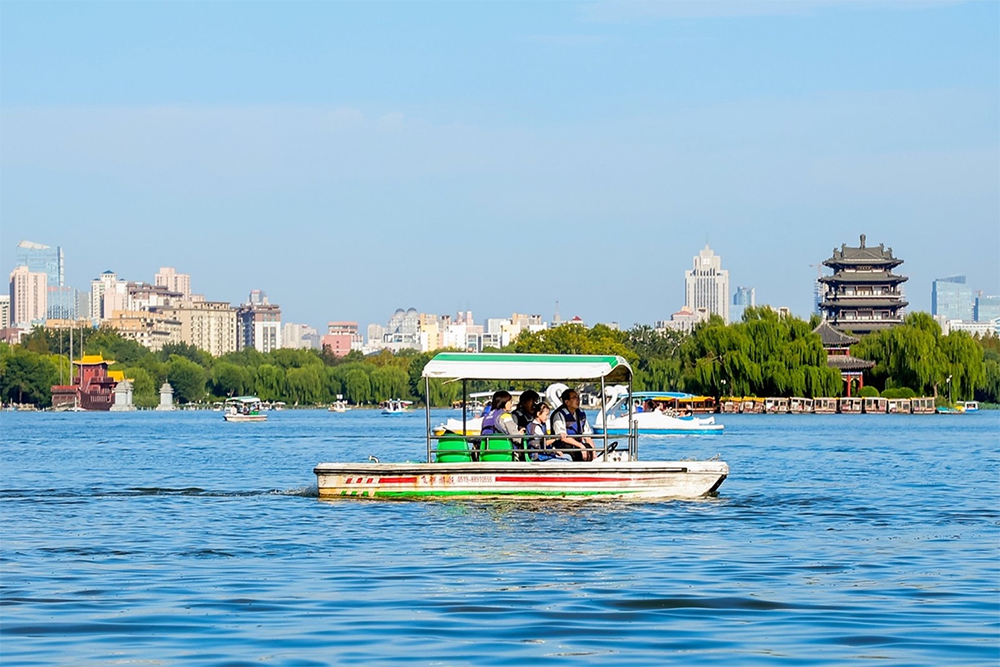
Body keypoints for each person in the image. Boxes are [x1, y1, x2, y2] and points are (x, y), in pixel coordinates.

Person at [550, 388, 595, 462]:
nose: (578, 400)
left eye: (578, 397)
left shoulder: (581, 414)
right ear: (567, 402)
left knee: (589, 449)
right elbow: (563, 437)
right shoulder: (559, 415)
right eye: (574, 398)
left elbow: (587, 436)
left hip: (578, 446)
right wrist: (580, 446)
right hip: (564, 447)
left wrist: (593, 451)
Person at [479, 390, 522, 455]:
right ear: (504, 402)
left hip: (485, 453)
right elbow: (515, 437)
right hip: (503, 453)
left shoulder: (487, 416)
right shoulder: (506, 416)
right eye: (510, 402)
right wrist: (521, 435)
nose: (511, 404)